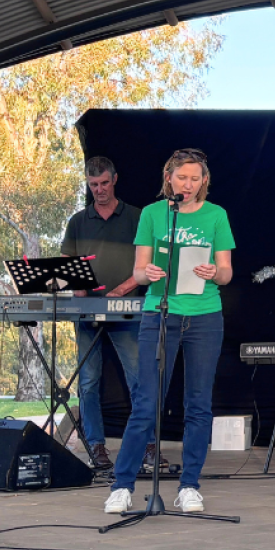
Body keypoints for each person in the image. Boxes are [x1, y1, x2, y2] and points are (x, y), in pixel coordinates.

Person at [103, 149, 234, 514]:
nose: (188, 185)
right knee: (147, 403)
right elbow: (140, 269)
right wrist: (150, 275)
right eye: (182, 178)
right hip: (159, 315)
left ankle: (189, 485)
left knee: (198, 404)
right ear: (169, 178)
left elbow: (227, 272)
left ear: (204, 181)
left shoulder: (216, 215)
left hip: (204, 315)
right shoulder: (152, 213)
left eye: (195, 179)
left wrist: (213, 272)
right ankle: (122, 486)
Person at [60, 156, 142, 470]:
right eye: (93, 185)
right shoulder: (78, 221)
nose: (100, 190)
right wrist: (80, 294)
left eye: (104, 183)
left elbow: (151, 264)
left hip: (126, 310)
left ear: (115, 179)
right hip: (88, 312)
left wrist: (120, 291)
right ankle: (96, 446)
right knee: (89, 382)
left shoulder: (136, 217)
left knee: (138, 380)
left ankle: (144, 445)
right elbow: (69, 267)